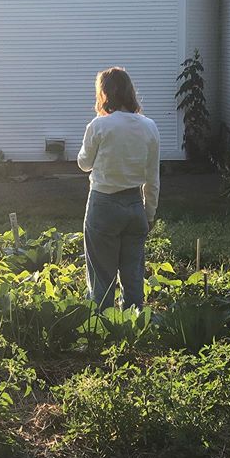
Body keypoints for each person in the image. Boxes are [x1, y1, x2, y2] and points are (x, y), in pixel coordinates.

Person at [77, 67, 160, 311]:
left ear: (103, 94)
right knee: (133, 273)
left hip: (103, 205)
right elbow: (153, 177)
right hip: (134, 205)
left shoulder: (99, 126)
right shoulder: (149, 127)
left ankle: (102, 326)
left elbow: (84, 163)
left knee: (101, 274)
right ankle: (133, 323)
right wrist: (150, 213)